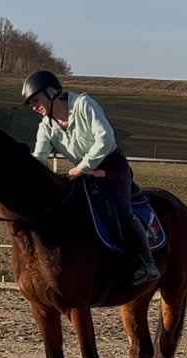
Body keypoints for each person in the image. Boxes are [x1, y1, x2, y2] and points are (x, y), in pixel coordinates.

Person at [21, 70, 160, 286]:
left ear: (51, 93)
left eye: (36, 100)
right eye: (30, 103)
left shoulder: (84, 105)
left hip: (112, 167)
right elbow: (39, 158)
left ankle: (146, 263)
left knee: (122, 211)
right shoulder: (45, 127)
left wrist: (82, 167)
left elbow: (105, 138)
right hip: (82, 172)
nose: (33, 106)